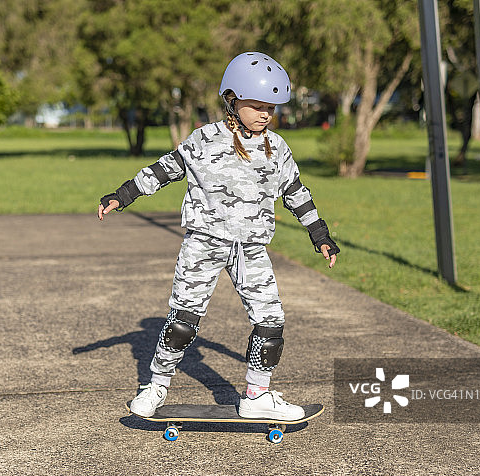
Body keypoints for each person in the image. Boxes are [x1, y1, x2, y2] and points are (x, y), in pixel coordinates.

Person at [98, 52, 340, 421]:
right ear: (232, 100)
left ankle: (257, 396)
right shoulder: (205, 139)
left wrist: (319, 234)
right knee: (182, 323)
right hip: (204, 243)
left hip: (250, 248)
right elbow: (165, 169)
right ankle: (156, 386)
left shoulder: (277, 148)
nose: (265, 114)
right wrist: (124, 194)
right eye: (257, 106)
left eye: (271, 108)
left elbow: (296, 191)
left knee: (271, 321)